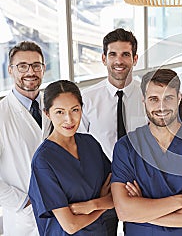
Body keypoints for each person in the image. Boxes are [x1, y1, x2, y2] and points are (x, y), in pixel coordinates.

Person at [111, 69, 182, 236]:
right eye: (153, 99)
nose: (161, 106)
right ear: (144, 101)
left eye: (168, 98)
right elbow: (124, 211)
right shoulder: (126, 147)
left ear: (179, 98)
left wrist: (142, 213)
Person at [80, 28, 146, 235]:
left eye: (125, 54)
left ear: (135, 59)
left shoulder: (149, 96)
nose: (119, 61)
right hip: (101, 189)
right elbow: (78, 148)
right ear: (103, 58)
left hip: (141, 188)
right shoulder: (87, 99)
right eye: (113, 54)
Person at [28, 80, 114, 235]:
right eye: (60, 112)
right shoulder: (43, 161)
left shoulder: (90, 144)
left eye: (75, 110)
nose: (69, 119)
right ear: (47, 113)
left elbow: (117, 195)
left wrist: (93, 205)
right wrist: (103, 204)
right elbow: (71, 225)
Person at [0, 41, 51, 236]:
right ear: (11, 70)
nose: (30, 72)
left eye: (36, 65)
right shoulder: (1, 114)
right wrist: (23, 201)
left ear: (43, 69)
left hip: (62, 211)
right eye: (22, 66)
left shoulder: (54, 106)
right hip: (24, 220)